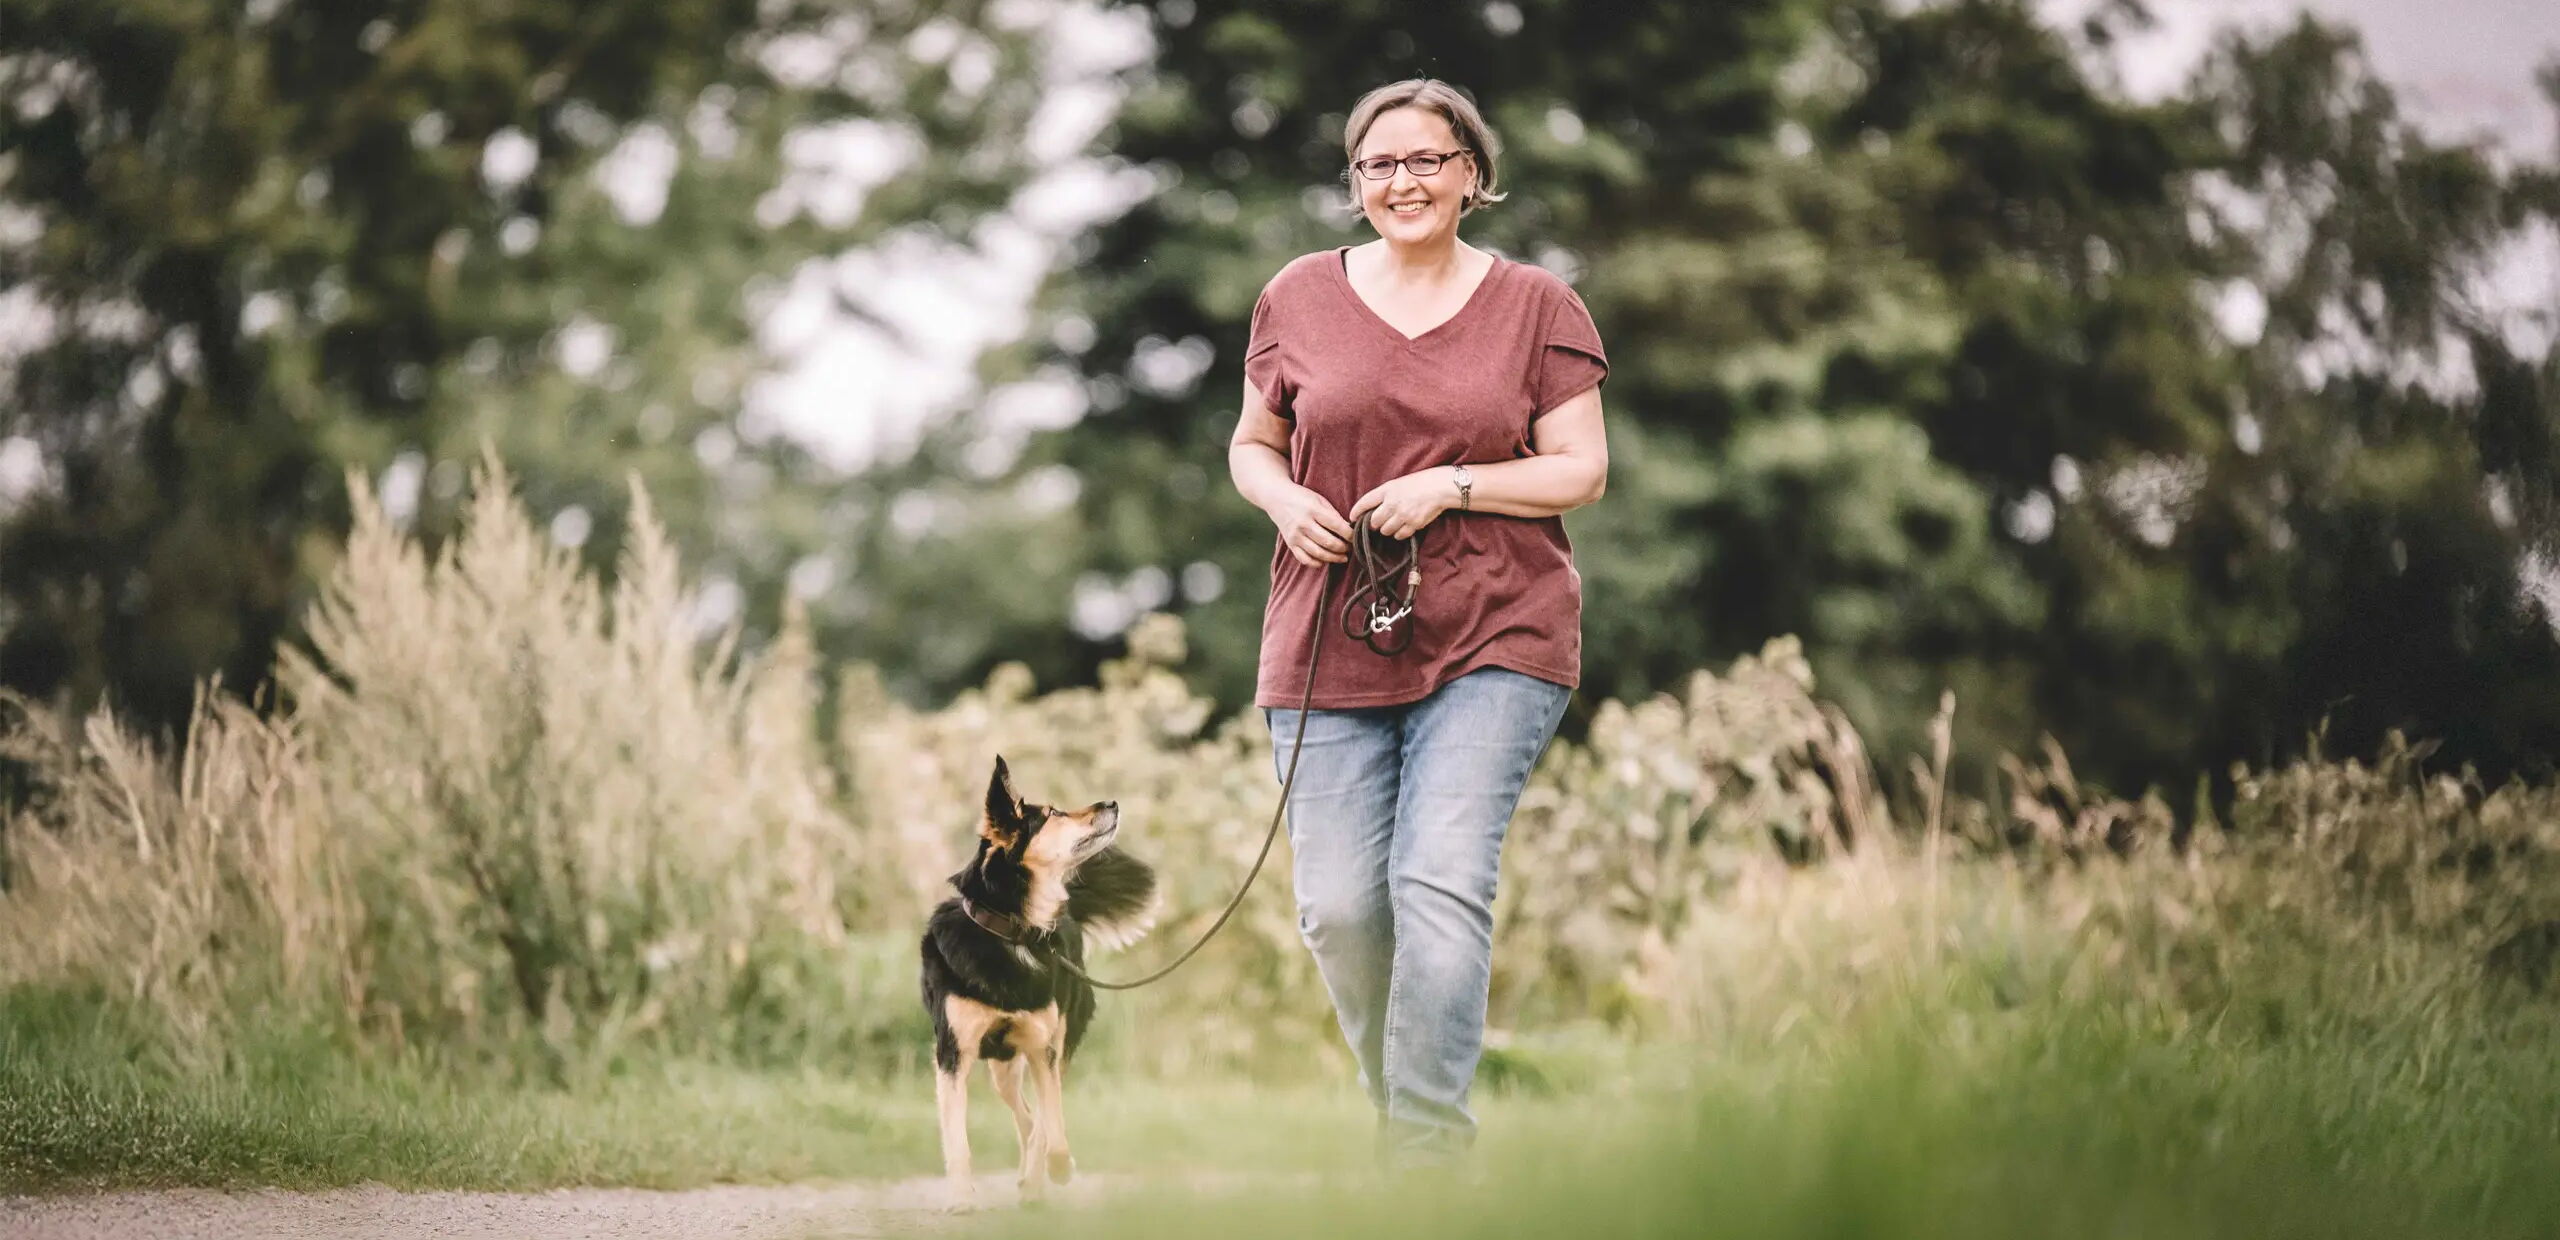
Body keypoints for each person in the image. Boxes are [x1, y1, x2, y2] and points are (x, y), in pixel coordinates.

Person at [1224, 77, 1610, 1165]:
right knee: (1342, 908)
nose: (1404, 181)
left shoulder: (1538, 303)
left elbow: (1581, 470)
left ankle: (1425, 1165)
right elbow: (1252, 442)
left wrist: (1455, 485)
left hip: (1497, 626)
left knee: (1436, 877)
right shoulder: (1295, 295)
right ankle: (1404, 1110)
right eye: (1379, 164)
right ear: (1354, 185)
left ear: (1472, 175)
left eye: (1427, 160)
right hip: (1325, 631)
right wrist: (1278, 495)